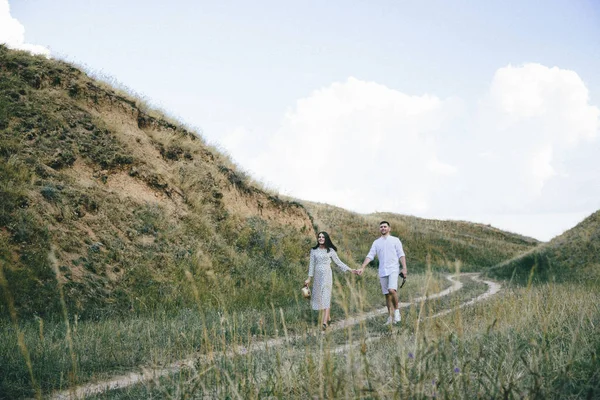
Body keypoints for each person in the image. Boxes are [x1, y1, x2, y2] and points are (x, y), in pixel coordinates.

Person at [357, 221, 407, 326]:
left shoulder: (395, 240)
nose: (383, 228)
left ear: (389, 228)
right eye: (381, 227)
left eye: (385, 226)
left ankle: (397, 313)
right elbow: (370, 255)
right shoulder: (376, 242)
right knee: (387, 295)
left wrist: (404, 268)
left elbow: (401, 255)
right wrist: (362, 267)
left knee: (391, 290)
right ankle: (390, 317)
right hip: (382, 270)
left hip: (393, 269)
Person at [304, 231, 356, 330]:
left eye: (323, 237)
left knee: (326, 296)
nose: (321, 239)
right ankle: (328, 316)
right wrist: (309, 278)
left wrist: (350, 269)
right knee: (319, 297)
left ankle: (324, 323)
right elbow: (311, 265)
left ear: (326, 239)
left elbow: (338, 262)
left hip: (327, 275)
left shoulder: (330, 250)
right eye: (319, 237)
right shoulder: (313, 250)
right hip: (318, 276)